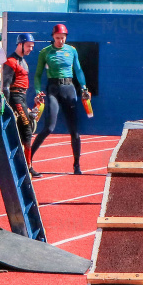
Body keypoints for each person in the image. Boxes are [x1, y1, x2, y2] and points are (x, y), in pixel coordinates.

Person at [31, 24, 90, 175]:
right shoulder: (45, 52)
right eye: (57, 38)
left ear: (66, 37)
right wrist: (38, 91)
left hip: (69, 88)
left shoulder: (72, 50)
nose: (60, 41)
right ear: (53, 37)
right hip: (53, 89)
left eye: (63, 38)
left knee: (74, 130)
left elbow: (78, 70)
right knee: (49, 127)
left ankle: (77, 165)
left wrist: (83, 87)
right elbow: (37, 74)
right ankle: (28, 158)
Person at [2, 33, 41, 178]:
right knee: (26, 128)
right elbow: (5, 86)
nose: (31, 49)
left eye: (32, 46)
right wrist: (6, 106)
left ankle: (24, 164)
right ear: (20, 44)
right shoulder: (11, 61)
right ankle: (27, 166)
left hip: (22, 97)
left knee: (27, 128)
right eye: (29, 46)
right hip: (15, 97)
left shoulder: (23, 62)